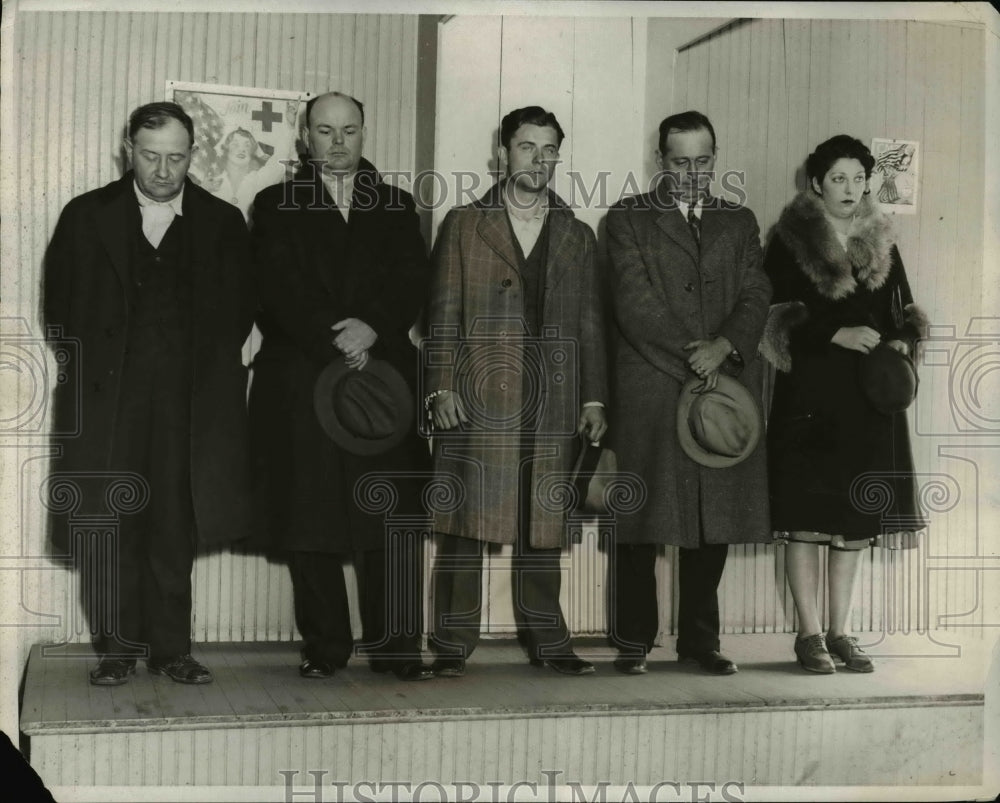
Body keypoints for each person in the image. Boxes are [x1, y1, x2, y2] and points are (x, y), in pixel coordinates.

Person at [44, 101, 255, 686]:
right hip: (108, 404)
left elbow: (238, 313)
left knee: (173, 525)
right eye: (151, 155)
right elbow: (60, 311)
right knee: (108, 524)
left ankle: (171, 650)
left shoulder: (221, 221)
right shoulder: (86, 216)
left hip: (188, 407)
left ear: (192, 155)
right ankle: (116, 649)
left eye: (177, 158)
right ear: (127, 149)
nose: (164, 171)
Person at [249, 91, 434, 682]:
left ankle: (398, 649)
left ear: (363, 134)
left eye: (349, 130)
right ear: (305, 138)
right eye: (324, 131)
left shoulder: (399, 205)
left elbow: (414, 279)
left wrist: (371, 328)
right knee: (312, 517)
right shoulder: (274, 204)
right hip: (304, 375)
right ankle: (326, 648)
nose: (337, 142)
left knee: (392, 517)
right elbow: (274, 288)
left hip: (382, 380)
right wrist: (336, 335)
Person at [424, 105, 608, 677]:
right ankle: (452, 645)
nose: (539, 159)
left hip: (552, 398)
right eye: (527, 147)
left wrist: (593, 399)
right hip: (477, 395)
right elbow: (442, 313)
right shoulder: (463, 223)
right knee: (465, 520)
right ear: (503, 154)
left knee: (544, 524)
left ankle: (549, 642)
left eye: (550, 149)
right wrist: (440, 386)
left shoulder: (577, 234)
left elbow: (591, 323)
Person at [605, 111, 772, 676]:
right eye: (680, 162)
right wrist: (691, 354)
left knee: (713, 517)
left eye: (703, 161)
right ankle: (633, 640)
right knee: (642, 522)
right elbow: (634, 304)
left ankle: (700, 641)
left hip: (721, 382)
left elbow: (756, 291)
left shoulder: (740, 220)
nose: (693, 173)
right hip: (653, 387)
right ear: (660, 161)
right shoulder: (627, 219)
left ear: (715, 158)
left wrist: (724, 345)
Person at [760, 134, 928, 674]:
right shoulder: (789, 240)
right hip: (810, 397)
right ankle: (808, 635)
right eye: (839, 178)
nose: (851, 189)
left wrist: (902, 340)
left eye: (859, 178)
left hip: (868, 398)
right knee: (806, 517)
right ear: (815, 183)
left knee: (854, 521)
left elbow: (904, 308)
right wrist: (834, 334)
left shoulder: (881, 238)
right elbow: (771, 314)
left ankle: (841, 632)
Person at [204, 126, 295, 221]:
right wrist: (201, 191)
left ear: (252, 152)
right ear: (226, 149)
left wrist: (289, 126)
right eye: (235, 144)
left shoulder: (258, 181)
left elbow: (278, 161)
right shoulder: (210, 185)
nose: (242, 149)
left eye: (247, 145)